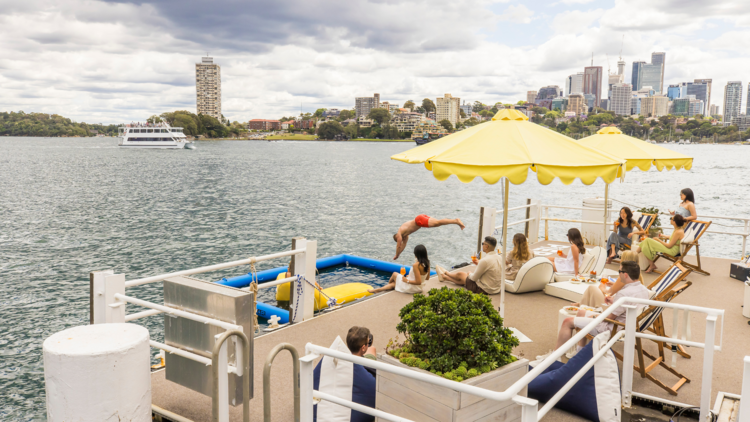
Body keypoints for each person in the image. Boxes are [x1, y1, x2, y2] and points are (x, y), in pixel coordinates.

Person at [556, 261, 650, 350]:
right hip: (629, 325)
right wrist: (614, 301)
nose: (618, 274)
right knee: (581, 312)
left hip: (614, 328)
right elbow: (630, 305)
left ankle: (554, 357)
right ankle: (579, 352)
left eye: (619, 271)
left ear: (625, 275)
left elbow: (609, 317)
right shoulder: (644, 289)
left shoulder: (623, 293)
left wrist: (594, 315)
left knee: (567, 321)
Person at [576, 250, 644, 308]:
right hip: (625, 307)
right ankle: (580, 304)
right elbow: (626, 287)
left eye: (622, 259)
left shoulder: (624, 276)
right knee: (591, 292)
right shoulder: (638, 276)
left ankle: (580, 305)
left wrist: (602, 286)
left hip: (614, 309)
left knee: (592, 288)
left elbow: (607, 293)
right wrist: (614, 284)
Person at [436, 236, 503, 295]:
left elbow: (474, 278)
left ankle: (446, 273)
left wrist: (469, 274)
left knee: (461, 274)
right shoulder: (500, 257)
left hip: (485, 290)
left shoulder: (485, 260)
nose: (482, 245)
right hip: (496, 289)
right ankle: (445, 277)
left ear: (486, 246)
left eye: (483, 244)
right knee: (465, 278)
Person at [393, 215, 465, 259]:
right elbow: (403, 245)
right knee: (438, 222)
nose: (400, 240)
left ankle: (455, 221)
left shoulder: (399, 233)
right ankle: (454, 221)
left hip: (419, 221)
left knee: (438, 223)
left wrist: (396, 255)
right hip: (420, 219)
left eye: (399, 240)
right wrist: (398, 254)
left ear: (396, 237)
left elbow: (398, 246)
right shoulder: (405, 236)